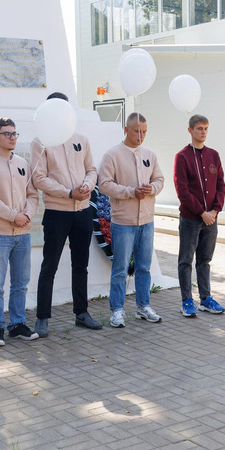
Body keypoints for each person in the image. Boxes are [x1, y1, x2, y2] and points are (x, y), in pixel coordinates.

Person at [30, 92, 102, 338]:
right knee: (49, 265)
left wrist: (87, 186)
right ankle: (42, 318)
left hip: (82, 213)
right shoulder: (41, 142)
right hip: (57, 213)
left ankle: (82, 313)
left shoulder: (81, 138)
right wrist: (67, 193)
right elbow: (38, 178)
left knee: (80, 265)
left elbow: (92, 169)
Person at [0, 118, 39, 347]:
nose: (12, 137)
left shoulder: (23, 162)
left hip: (22, 233)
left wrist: (27, 215)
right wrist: (14, 216)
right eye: (7, 134)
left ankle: (18, 324)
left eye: (15, 133)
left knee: (21, 282)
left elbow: (32, 195)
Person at [99, 112, 164, 328]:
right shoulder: (112, 155)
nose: (141, 135)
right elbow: (105, 184)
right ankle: (117, 310)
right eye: (137, 131)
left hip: (147, 220)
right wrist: (130, 192)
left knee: (144, 267)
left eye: (144, 131)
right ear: (126, 130)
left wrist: (152, 188)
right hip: (123, 222)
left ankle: (143, 306)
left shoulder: (150, 154)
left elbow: (160, 179)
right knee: (120, 267)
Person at [173, 114, 225, 318]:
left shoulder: (213, 155)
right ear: (190, 130)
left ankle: (205, 299)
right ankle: (187, 300)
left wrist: (214, 211)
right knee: (185, 261)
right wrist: (201, 212)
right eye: (199, 128)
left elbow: (221, 184)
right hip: (191, 219)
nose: (203, 132)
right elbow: (182, 191)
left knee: (205, 260)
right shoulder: (183, 156)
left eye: (205, 128)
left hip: (211, 219)